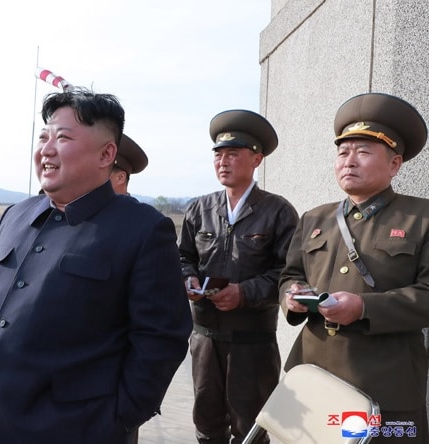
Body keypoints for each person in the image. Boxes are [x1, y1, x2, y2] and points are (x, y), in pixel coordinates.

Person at [0, 88, 193, 444]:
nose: (46, 149)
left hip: (69, 429)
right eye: (43, 136)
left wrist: (119, 419)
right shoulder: (15, 216)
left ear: (107, 154)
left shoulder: (142, 229)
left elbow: (161, 338)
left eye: (62, 138)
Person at [280, 92, 429, 442]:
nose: (349, 161)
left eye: (362, 152)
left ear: (395, 164)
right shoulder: (315, 217)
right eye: (343, 152)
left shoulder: (421, 218)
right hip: (313, 375)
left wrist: (363, 307)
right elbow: (291, 275)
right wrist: (291, 295)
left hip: (383, 388)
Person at [178, 109, 299, 444]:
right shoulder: (199, 209)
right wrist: (186, 279)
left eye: (233, 154)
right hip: (204, 336)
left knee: (251, 429)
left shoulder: (277, 211)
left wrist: (244, 292)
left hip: (252, 342)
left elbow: (289, 272)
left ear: (256, 159)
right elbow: (182, 256)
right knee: (207, 422)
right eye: (218, 155)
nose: (223, 162)